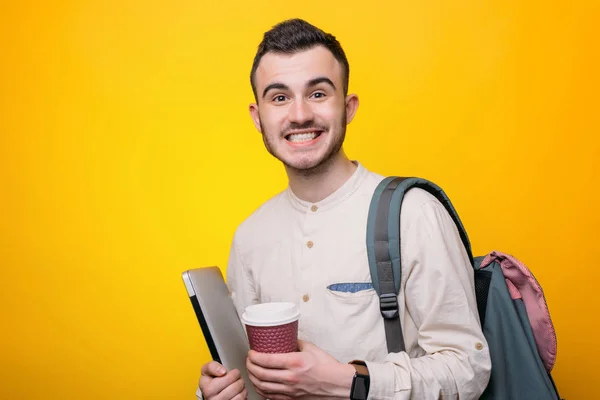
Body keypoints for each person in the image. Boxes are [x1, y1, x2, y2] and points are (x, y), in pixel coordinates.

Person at [197, 18, 491, 400]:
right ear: (258, 116)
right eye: (280, 97)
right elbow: (250, 373)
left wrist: (352, 382)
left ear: (347, 107)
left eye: (318, 93)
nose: (299, 114)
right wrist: (220, 390)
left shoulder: (414, 214)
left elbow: (468, 369)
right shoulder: (249, 236)